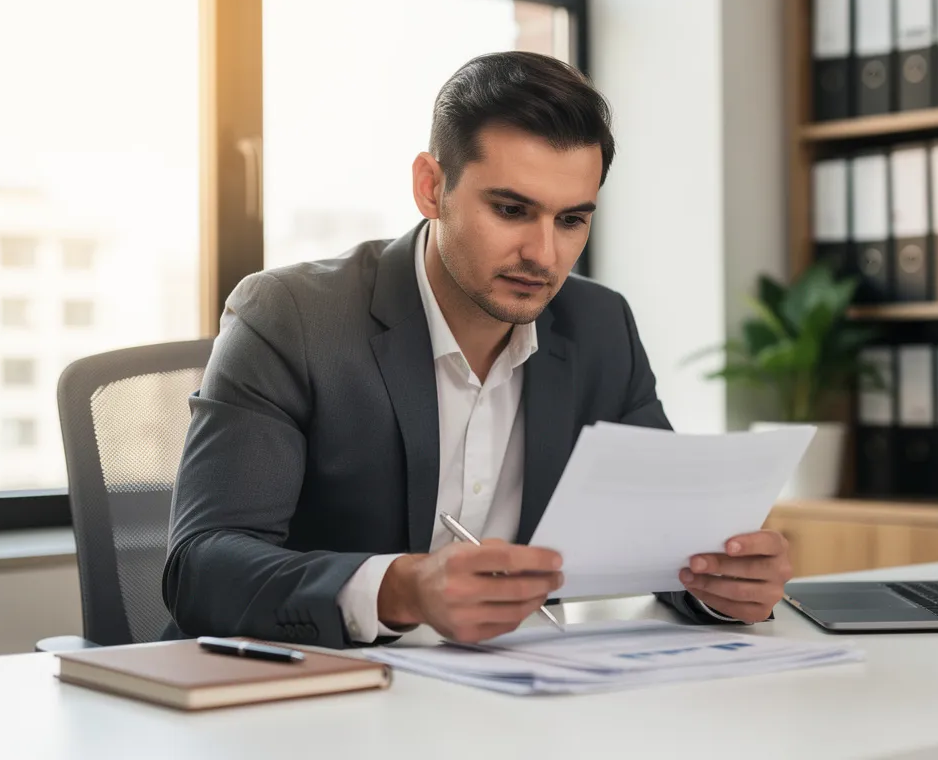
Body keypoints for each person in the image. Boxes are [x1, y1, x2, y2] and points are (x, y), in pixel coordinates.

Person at [162, 51, 793, 648]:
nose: (544, 256)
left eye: (571, 219)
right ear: (431, 187)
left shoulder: (601, 326)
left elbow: (666, 543)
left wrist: (725, 586)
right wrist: (401, 588)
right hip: (311, 695)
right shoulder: (291, 317)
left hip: (511, 696)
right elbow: (202, 566)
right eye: (512, 209)